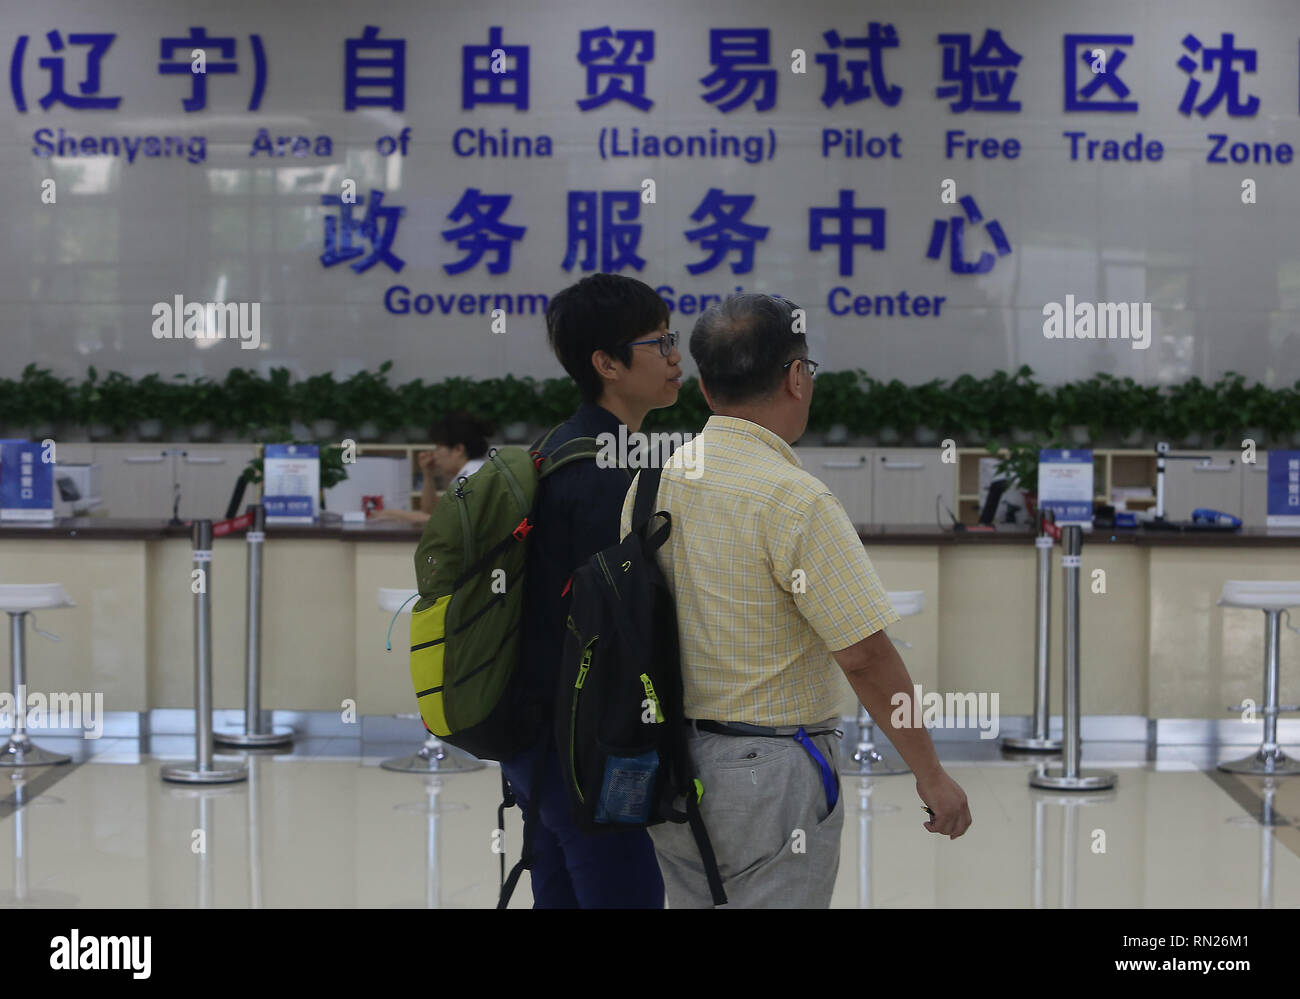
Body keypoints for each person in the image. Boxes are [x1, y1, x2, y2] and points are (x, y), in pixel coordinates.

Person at [620, 293, 972, 908]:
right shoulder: (795, 500)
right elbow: (864, 655)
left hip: (666, 764)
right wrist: (931, 774)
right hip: (770, 774)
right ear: (796, 377)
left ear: (706, 388)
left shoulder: (651, 484)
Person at [501, 273, 683, 908]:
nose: (675, 356)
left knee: (560, 892)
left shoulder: (557, 448)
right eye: (659, 342)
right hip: (585, 746)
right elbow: (626, 629)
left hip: (536, 735)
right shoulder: (609, 476)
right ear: (607, 363)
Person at [368, 412, 493, 525]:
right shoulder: (466, 474)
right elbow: (431, 511)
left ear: (458, 450)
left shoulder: (472, 477)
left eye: (438, 448)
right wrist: (428, 474)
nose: (434, 454)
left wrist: (394, 515)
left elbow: (446, 520)